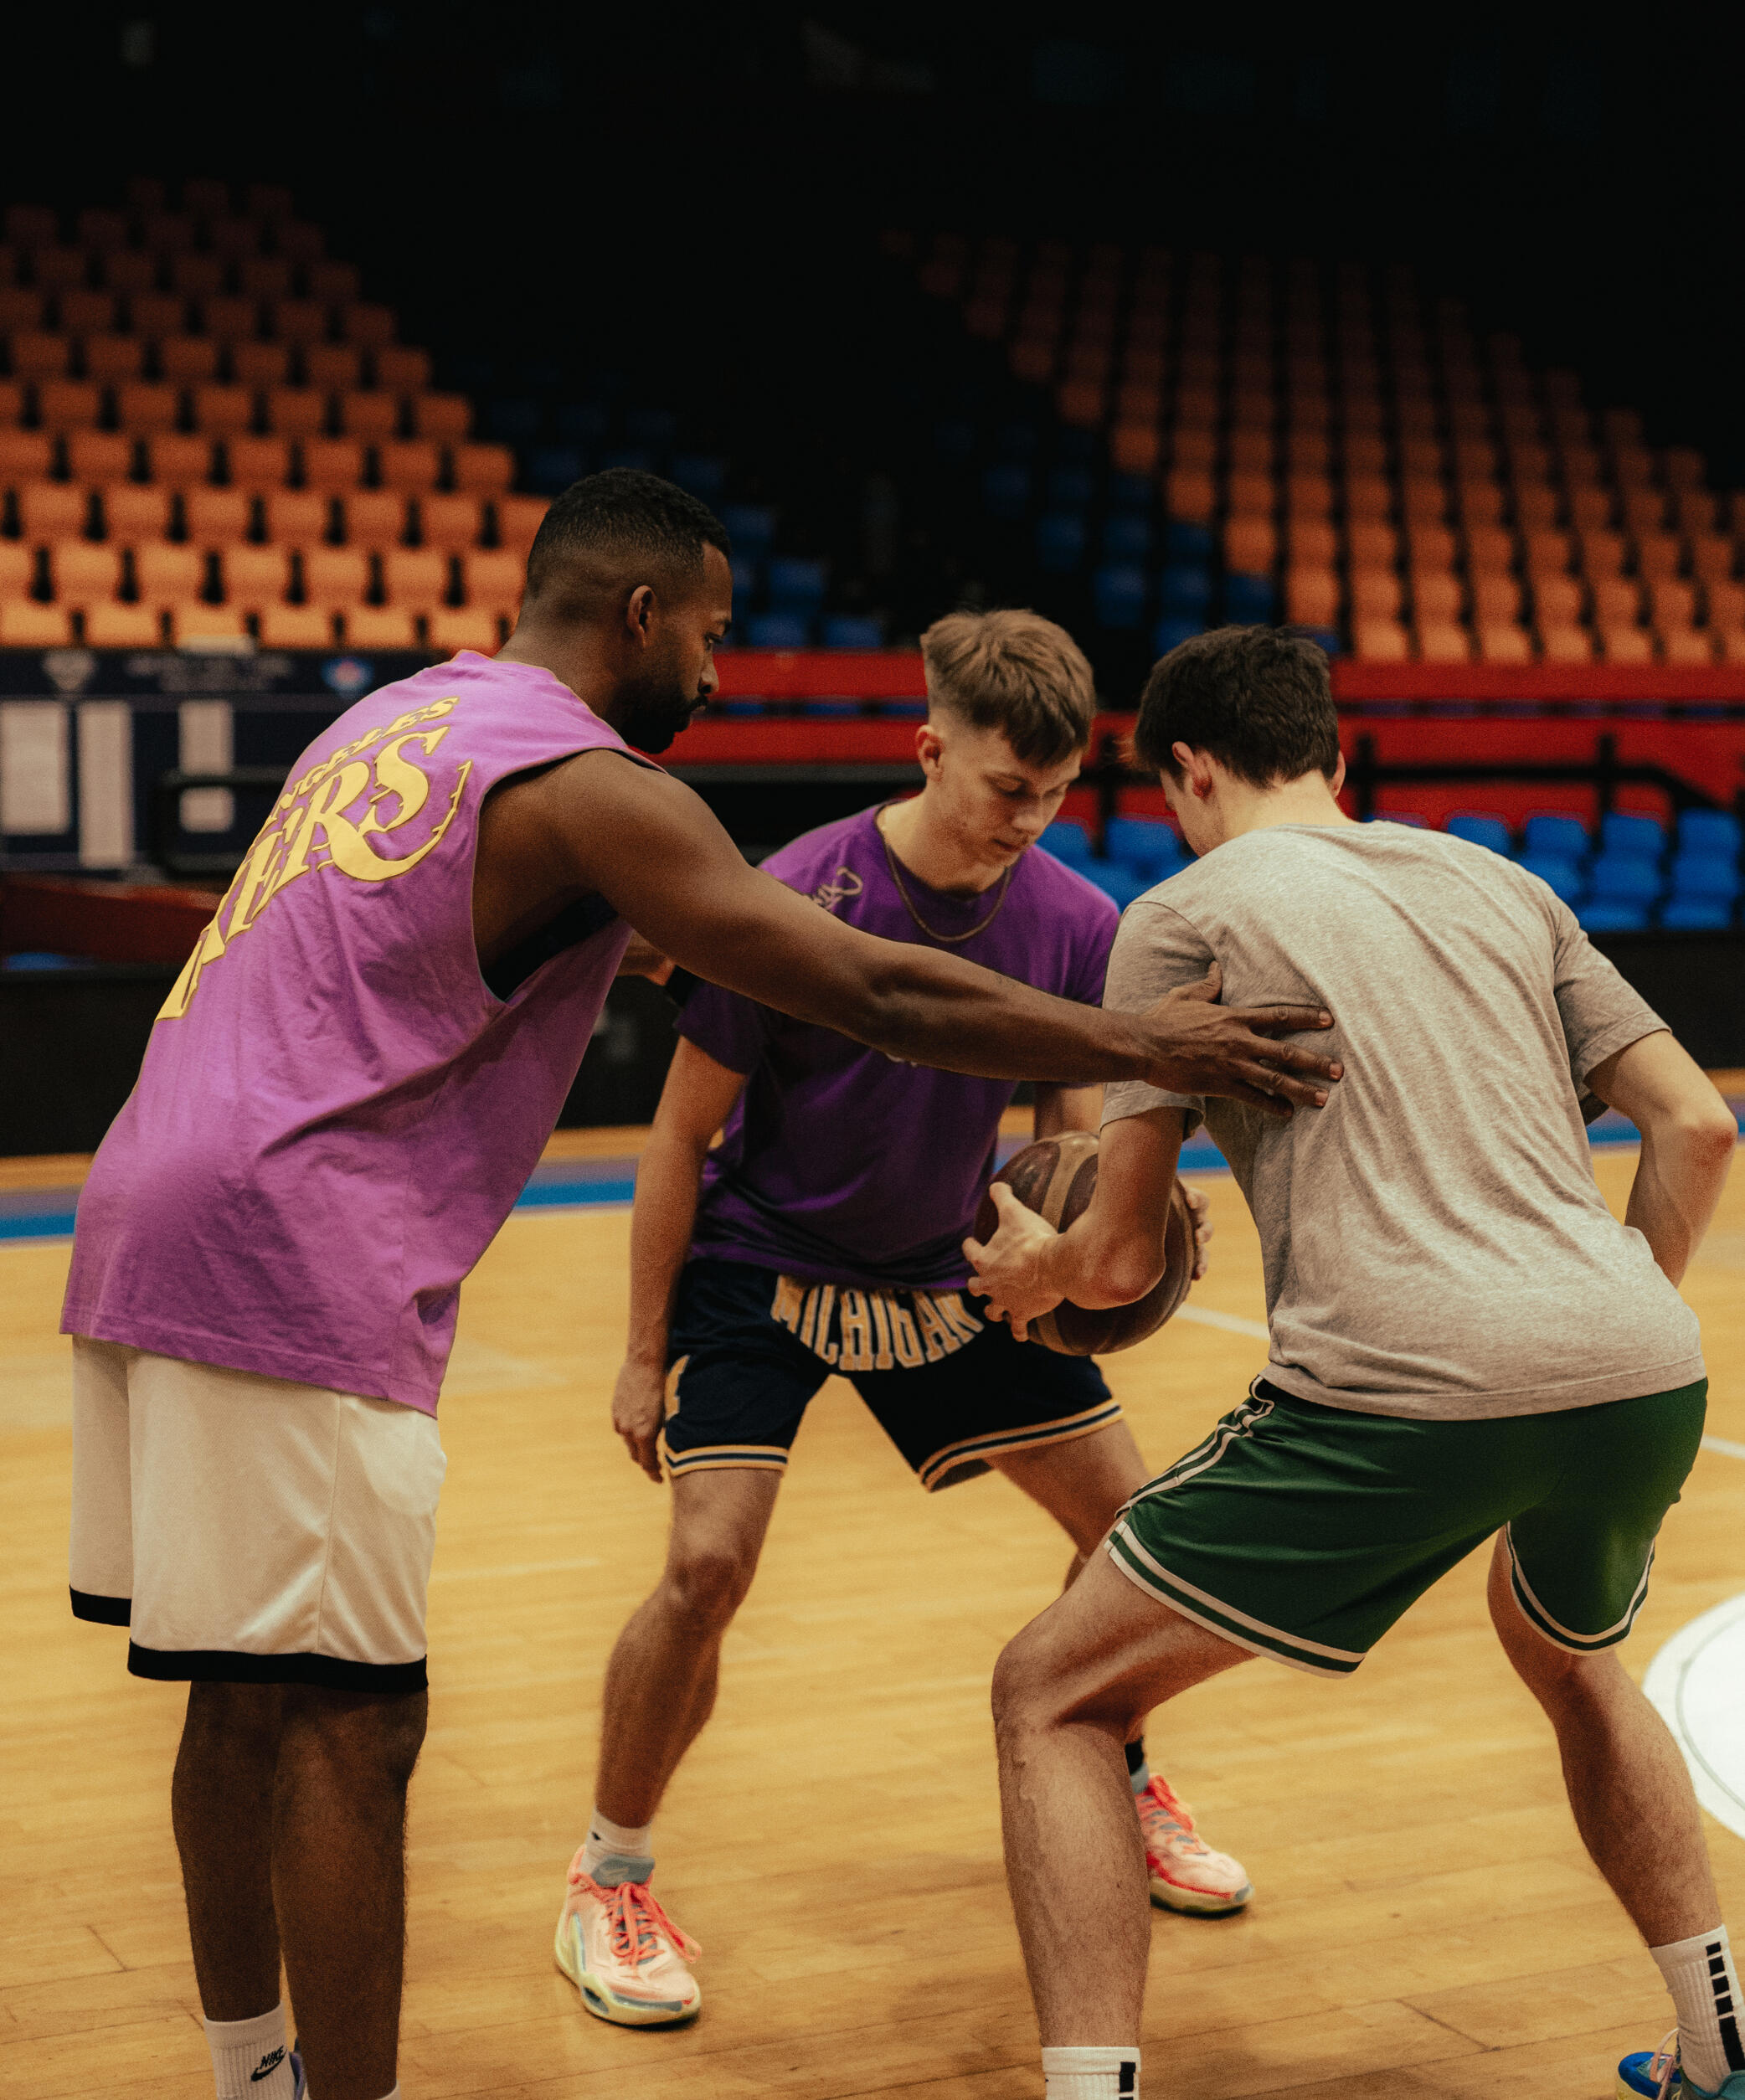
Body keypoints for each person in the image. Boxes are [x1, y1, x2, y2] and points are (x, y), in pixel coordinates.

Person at [60, 479, 1342, 2100]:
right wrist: (1148, 1040)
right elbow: (870, 988)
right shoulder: (594, 786)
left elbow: (565, 950)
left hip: (153, 1207)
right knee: (348, 1728)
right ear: (642, 615)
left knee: (243, 1701)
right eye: (714, 636)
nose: (723, 673)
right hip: (292, 1245)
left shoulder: (401, 721)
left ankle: (256, 2076)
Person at [965, 625, 1740, 2100]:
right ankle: (1721, 2054)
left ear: (1190, 770)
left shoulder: (1180, 916)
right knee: (1576, 1660)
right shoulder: (1503, 883)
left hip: (1401, 1391)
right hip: (1643, 1366)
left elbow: (1116, 1267)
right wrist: (1602, 1318)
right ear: (1331, 752)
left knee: (1052, 1693)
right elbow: (1698, 1125)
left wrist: (1037, 1271)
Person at [559, 610, 1253, 2032]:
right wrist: (640, 1354)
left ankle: (1119, 1781)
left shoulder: (1078, 921)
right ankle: (607, 1876)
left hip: (948, 1270)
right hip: (763, 1269)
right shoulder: (796, 895)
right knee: (705, 1567)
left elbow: (1064, 1144)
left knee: (1137, 1538)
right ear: (930, 749)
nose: (1029, 819)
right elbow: (678, 1136)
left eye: (1056, 793)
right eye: (1007, 788)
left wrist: (1064, 1252)